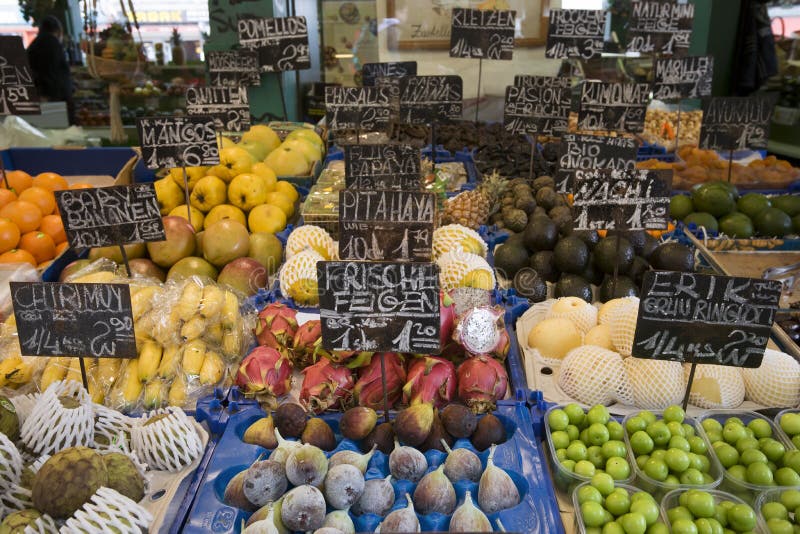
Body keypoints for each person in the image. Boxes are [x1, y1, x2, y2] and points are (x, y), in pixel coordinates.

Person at [26, 15, 75, 124]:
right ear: (58, 31)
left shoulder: (34, 45)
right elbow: (50, 73)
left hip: (42, 98)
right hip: (53, 100)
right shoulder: (52, 44)